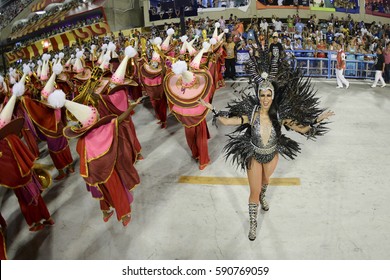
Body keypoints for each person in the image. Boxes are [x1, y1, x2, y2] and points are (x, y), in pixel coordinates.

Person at [200, 68, 334, 241]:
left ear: (272, 96)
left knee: (265, 181)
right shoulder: (252, 113)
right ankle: (253, 223)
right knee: (253, 191)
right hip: (253, 154)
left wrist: (317, 120)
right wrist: (213, 109)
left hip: (272, 155)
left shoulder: (279, 115)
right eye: (262, 95)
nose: (265, 99)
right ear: (258, 95)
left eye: (268, 95)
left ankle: (264, 195)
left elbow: (302, 128)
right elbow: (227, 121)